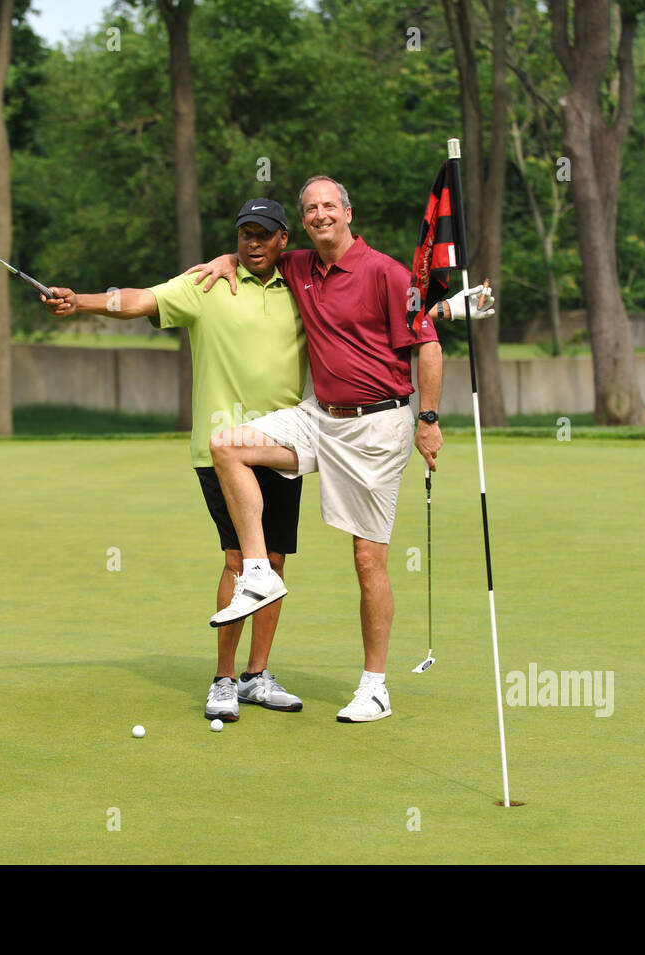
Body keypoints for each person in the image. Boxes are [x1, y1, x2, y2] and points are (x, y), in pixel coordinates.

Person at [192, 175, 488, 723]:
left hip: (377, 428)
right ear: (301, 223)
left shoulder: (386, 272)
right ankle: (257, 570)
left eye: (330, 205)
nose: (320, 214)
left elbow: (427, 343)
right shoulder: (299, 266)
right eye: (310, 209)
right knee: (227, 444)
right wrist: (223, 260)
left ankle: (375, 686)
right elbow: (255, 252)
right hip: (319, 416)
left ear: (349, 212)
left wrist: (428, 420)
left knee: (367, 557)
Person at [41, 199, 309, 723]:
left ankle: (257, 676)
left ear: (282, 240)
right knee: (240, 561)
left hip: (283, 444)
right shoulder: (206, 285)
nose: (252, 242)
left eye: (263, 234)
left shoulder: (301, 285)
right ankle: (224, 680)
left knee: (273, 563)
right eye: (244, 234)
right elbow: (138, 300)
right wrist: (83, 303)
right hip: (221, 446)